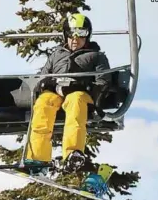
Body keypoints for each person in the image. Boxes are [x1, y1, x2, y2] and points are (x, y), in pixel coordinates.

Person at [24, 13, 112, 195]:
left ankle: (73, 153)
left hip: (82, 94)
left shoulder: (96, 56)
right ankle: (38, 158)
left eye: (81, 34)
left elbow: (103, 81)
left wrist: (84, 88)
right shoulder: (57, 54)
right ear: (65, 34)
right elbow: (42, 78)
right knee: (43, 102)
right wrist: (55, 87)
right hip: (56, 93)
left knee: (76, 100)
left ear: (87, 35)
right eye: (71, 34)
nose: (75, 39)